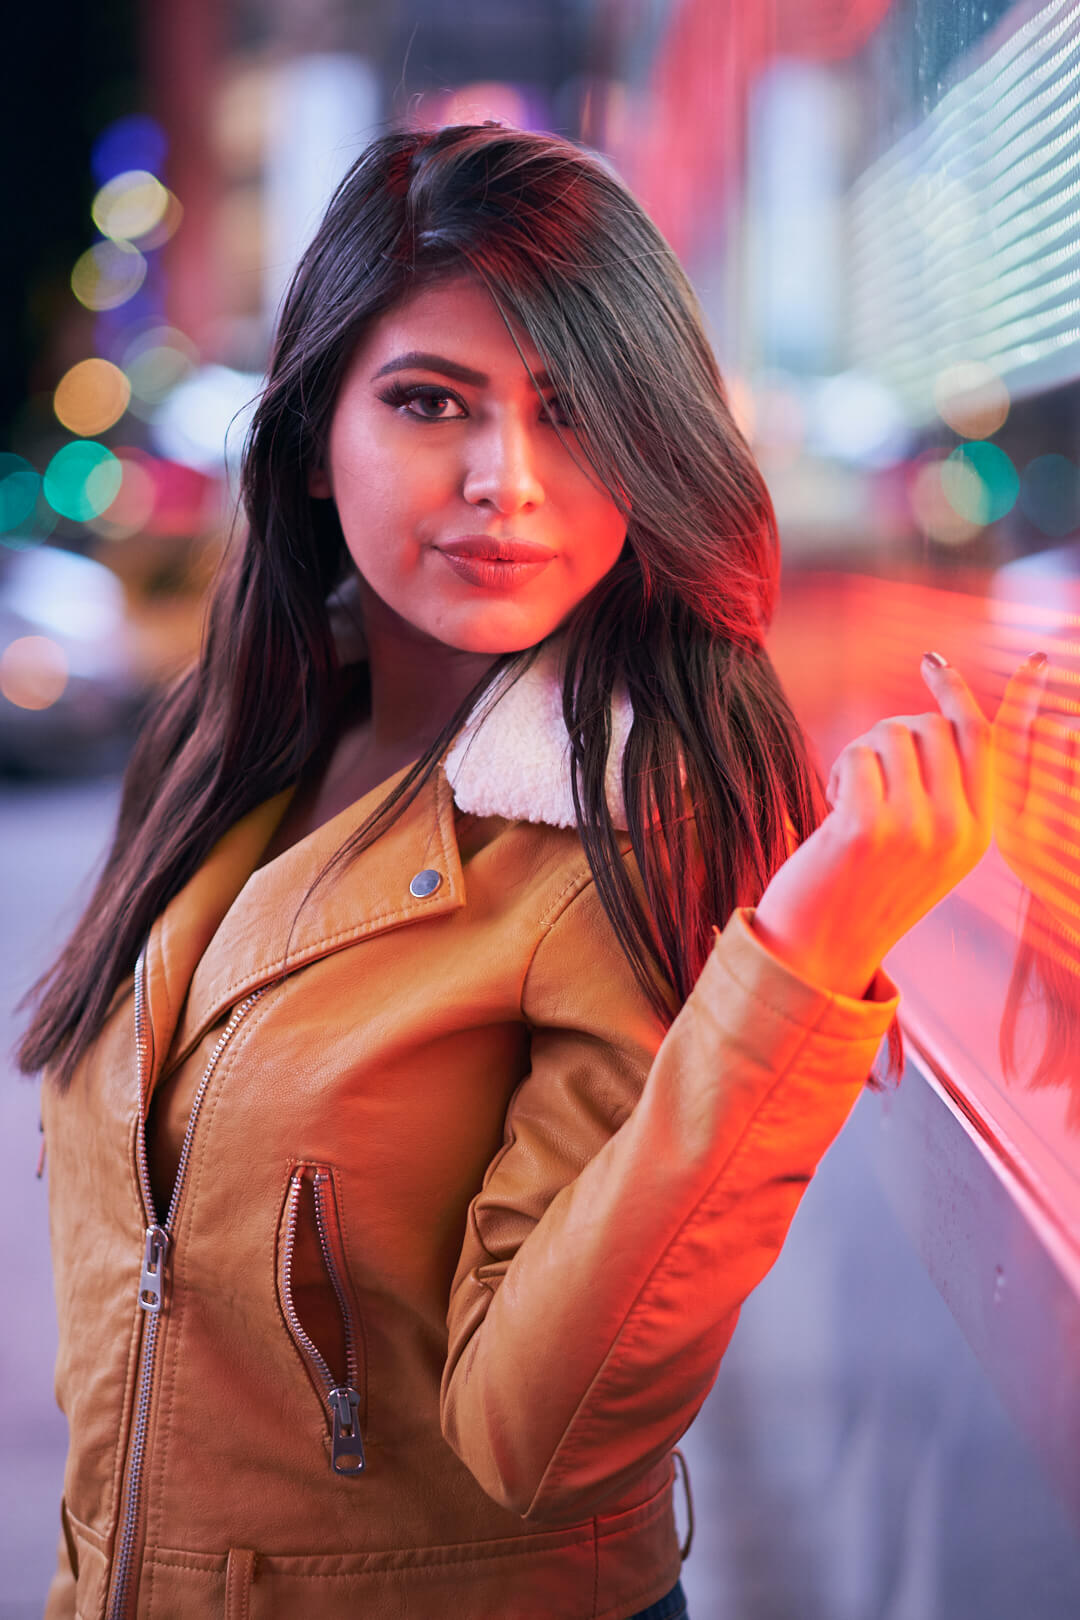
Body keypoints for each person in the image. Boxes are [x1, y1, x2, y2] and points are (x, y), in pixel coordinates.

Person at [19, 122, 1015, 1620]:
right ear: (308, 445)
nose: (509, 480)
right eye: (433, 403)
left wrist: (803, 962)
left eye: (572, 413)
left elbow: (541, 1434)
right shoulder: (234, 754)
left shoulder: (623, 831)